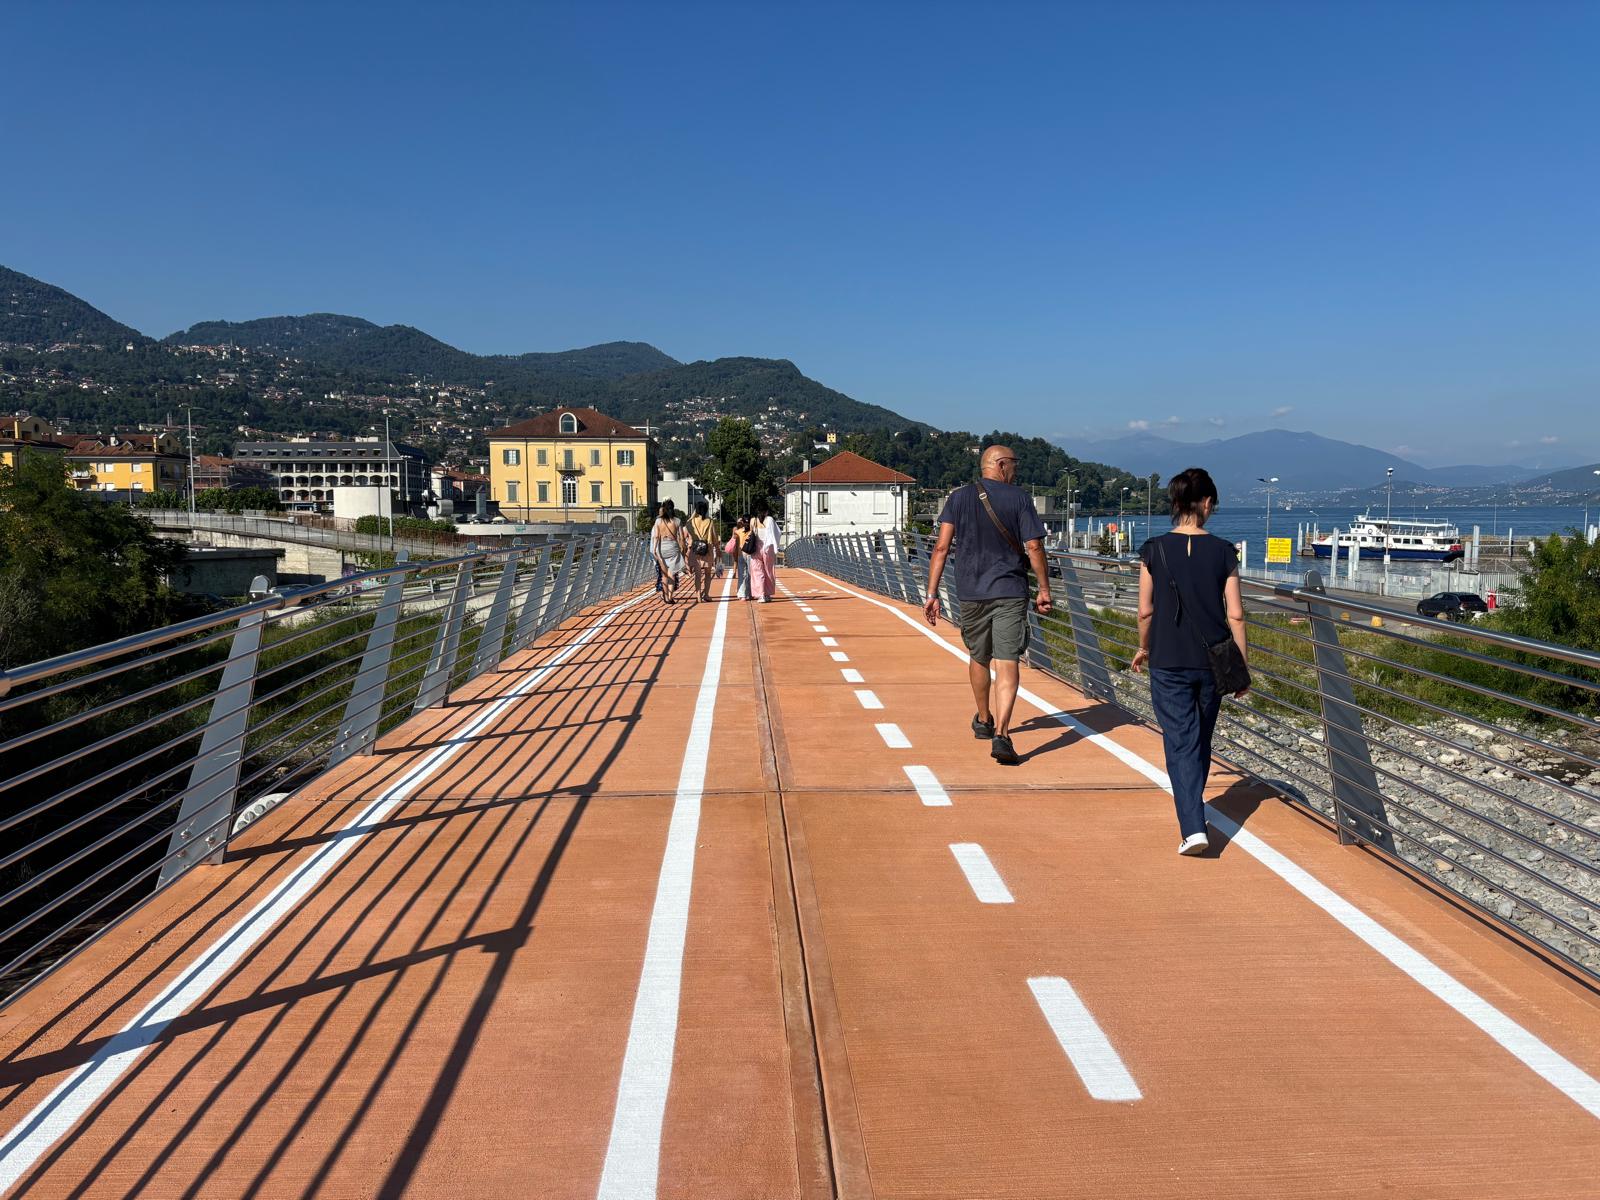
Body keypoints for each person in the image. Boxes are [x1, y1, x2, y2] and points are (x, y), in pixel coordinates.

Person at [1131, 466, 1249, 856]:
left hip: (1167, 659)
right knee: (1198, 740)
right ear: (1207, 503)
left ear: (1176, 503)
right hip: (1212, 662)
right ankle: (1193, 815)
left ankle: (1193, 827)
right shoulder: (1223, 551)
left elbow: (1145, 611)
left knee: (1181, 741)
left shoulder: (1153, 549)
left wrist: (1144, 647)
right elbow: (1236, 614)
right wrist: (1241, 668)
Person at [922, 445, 1053, 765]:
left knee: (979, 656)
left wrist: (931, 593)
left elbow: (941, 548)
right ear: (1001, 465)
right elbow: (1034, 546)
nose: (1016, 470)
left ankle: (984, 719)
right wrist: (1044, 589)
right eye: (1014, 465)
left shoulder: (957, 498)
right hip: (1009, 589)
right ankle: (1002, 735)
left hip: (970, 592)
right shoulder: (1019, 498)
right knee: (1007, 660)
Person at [652, 499, 687, 605]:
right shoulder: (677, 521)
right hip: (673, 547)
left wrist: (654, 549)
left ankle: (665, 596)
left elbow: (656, 536)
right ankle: (670, 596)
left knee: (664, 574)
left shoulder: (658, 521)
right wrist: (683, 549)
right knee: (672, 574)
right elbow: (681, 537)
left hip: (661, 547)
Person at [686, 499, 718, 602]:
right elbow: (714, 537)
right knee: (708, 574)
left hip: (695, 549)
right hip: (707, 549)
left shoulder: (691, 522)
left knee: (698, 574)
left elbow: (687, 529)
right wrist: (717, 548)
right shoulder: (710, 521)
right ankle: (706, 594)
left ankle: (698, 594)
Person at [749, 502, 779, 603]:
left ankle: (760, 595)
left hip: (756, 548)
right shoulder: (769, 520)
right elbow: (777, 533)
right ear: (766, 511)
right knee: (769, 571)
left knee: (757, 572)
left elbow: (751, 533)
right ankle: (767, 594)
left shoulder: (753, 520)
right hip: (768, 548)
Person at [727, 514, 753, 600]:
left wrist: (739, 524)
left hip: (741, 554)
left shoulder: (738, 532)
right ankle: (749, 594)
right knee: (750, 575)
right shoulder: (752, 531)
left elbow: (734, 539)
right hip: (750, 554)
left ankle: (742, 595)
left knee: (742, 575)